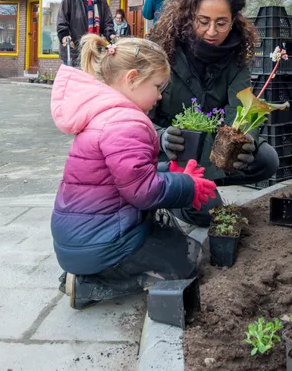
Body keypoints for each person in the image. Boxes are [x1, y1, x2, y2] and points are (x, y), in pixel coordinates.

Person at [51, 34, 217, 309]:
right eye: (156, 86)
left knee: (178, 247)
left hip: (88, 236)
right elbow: (142, 192)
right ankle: (90, 283)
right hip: (103, 242)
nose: (160, 95)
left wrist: (168, 170)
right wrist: (187, 186)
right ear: (131, 79)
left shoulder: (105, 113)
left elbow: (125, 177)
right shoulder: (125, 122)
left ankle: (90, 268)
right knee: (190, 261)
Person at [149, 0, 280, 227]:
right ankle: (164, 193)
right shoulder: (162, 50)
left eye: (221, 23)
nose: (212, 32)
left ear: (233, 21)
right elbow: (131, 114)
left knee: (266, 160)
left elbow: (240, 109)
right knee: (208, 213)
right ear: (188, 17)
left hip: (212, 149)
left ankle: (201, 185)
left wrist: (244, 141)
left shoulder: (236, 57)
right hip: (170, 155)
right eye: (203, 21)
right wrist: (159, 136)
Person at [57, 0, 115, 65]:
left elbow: (107, 22)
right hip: (74, 50)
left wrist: (111, 35)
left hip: (94, 50)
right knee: (74, 78)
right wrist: (64, 35)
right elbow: (62, 19)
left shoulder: (101, 1)